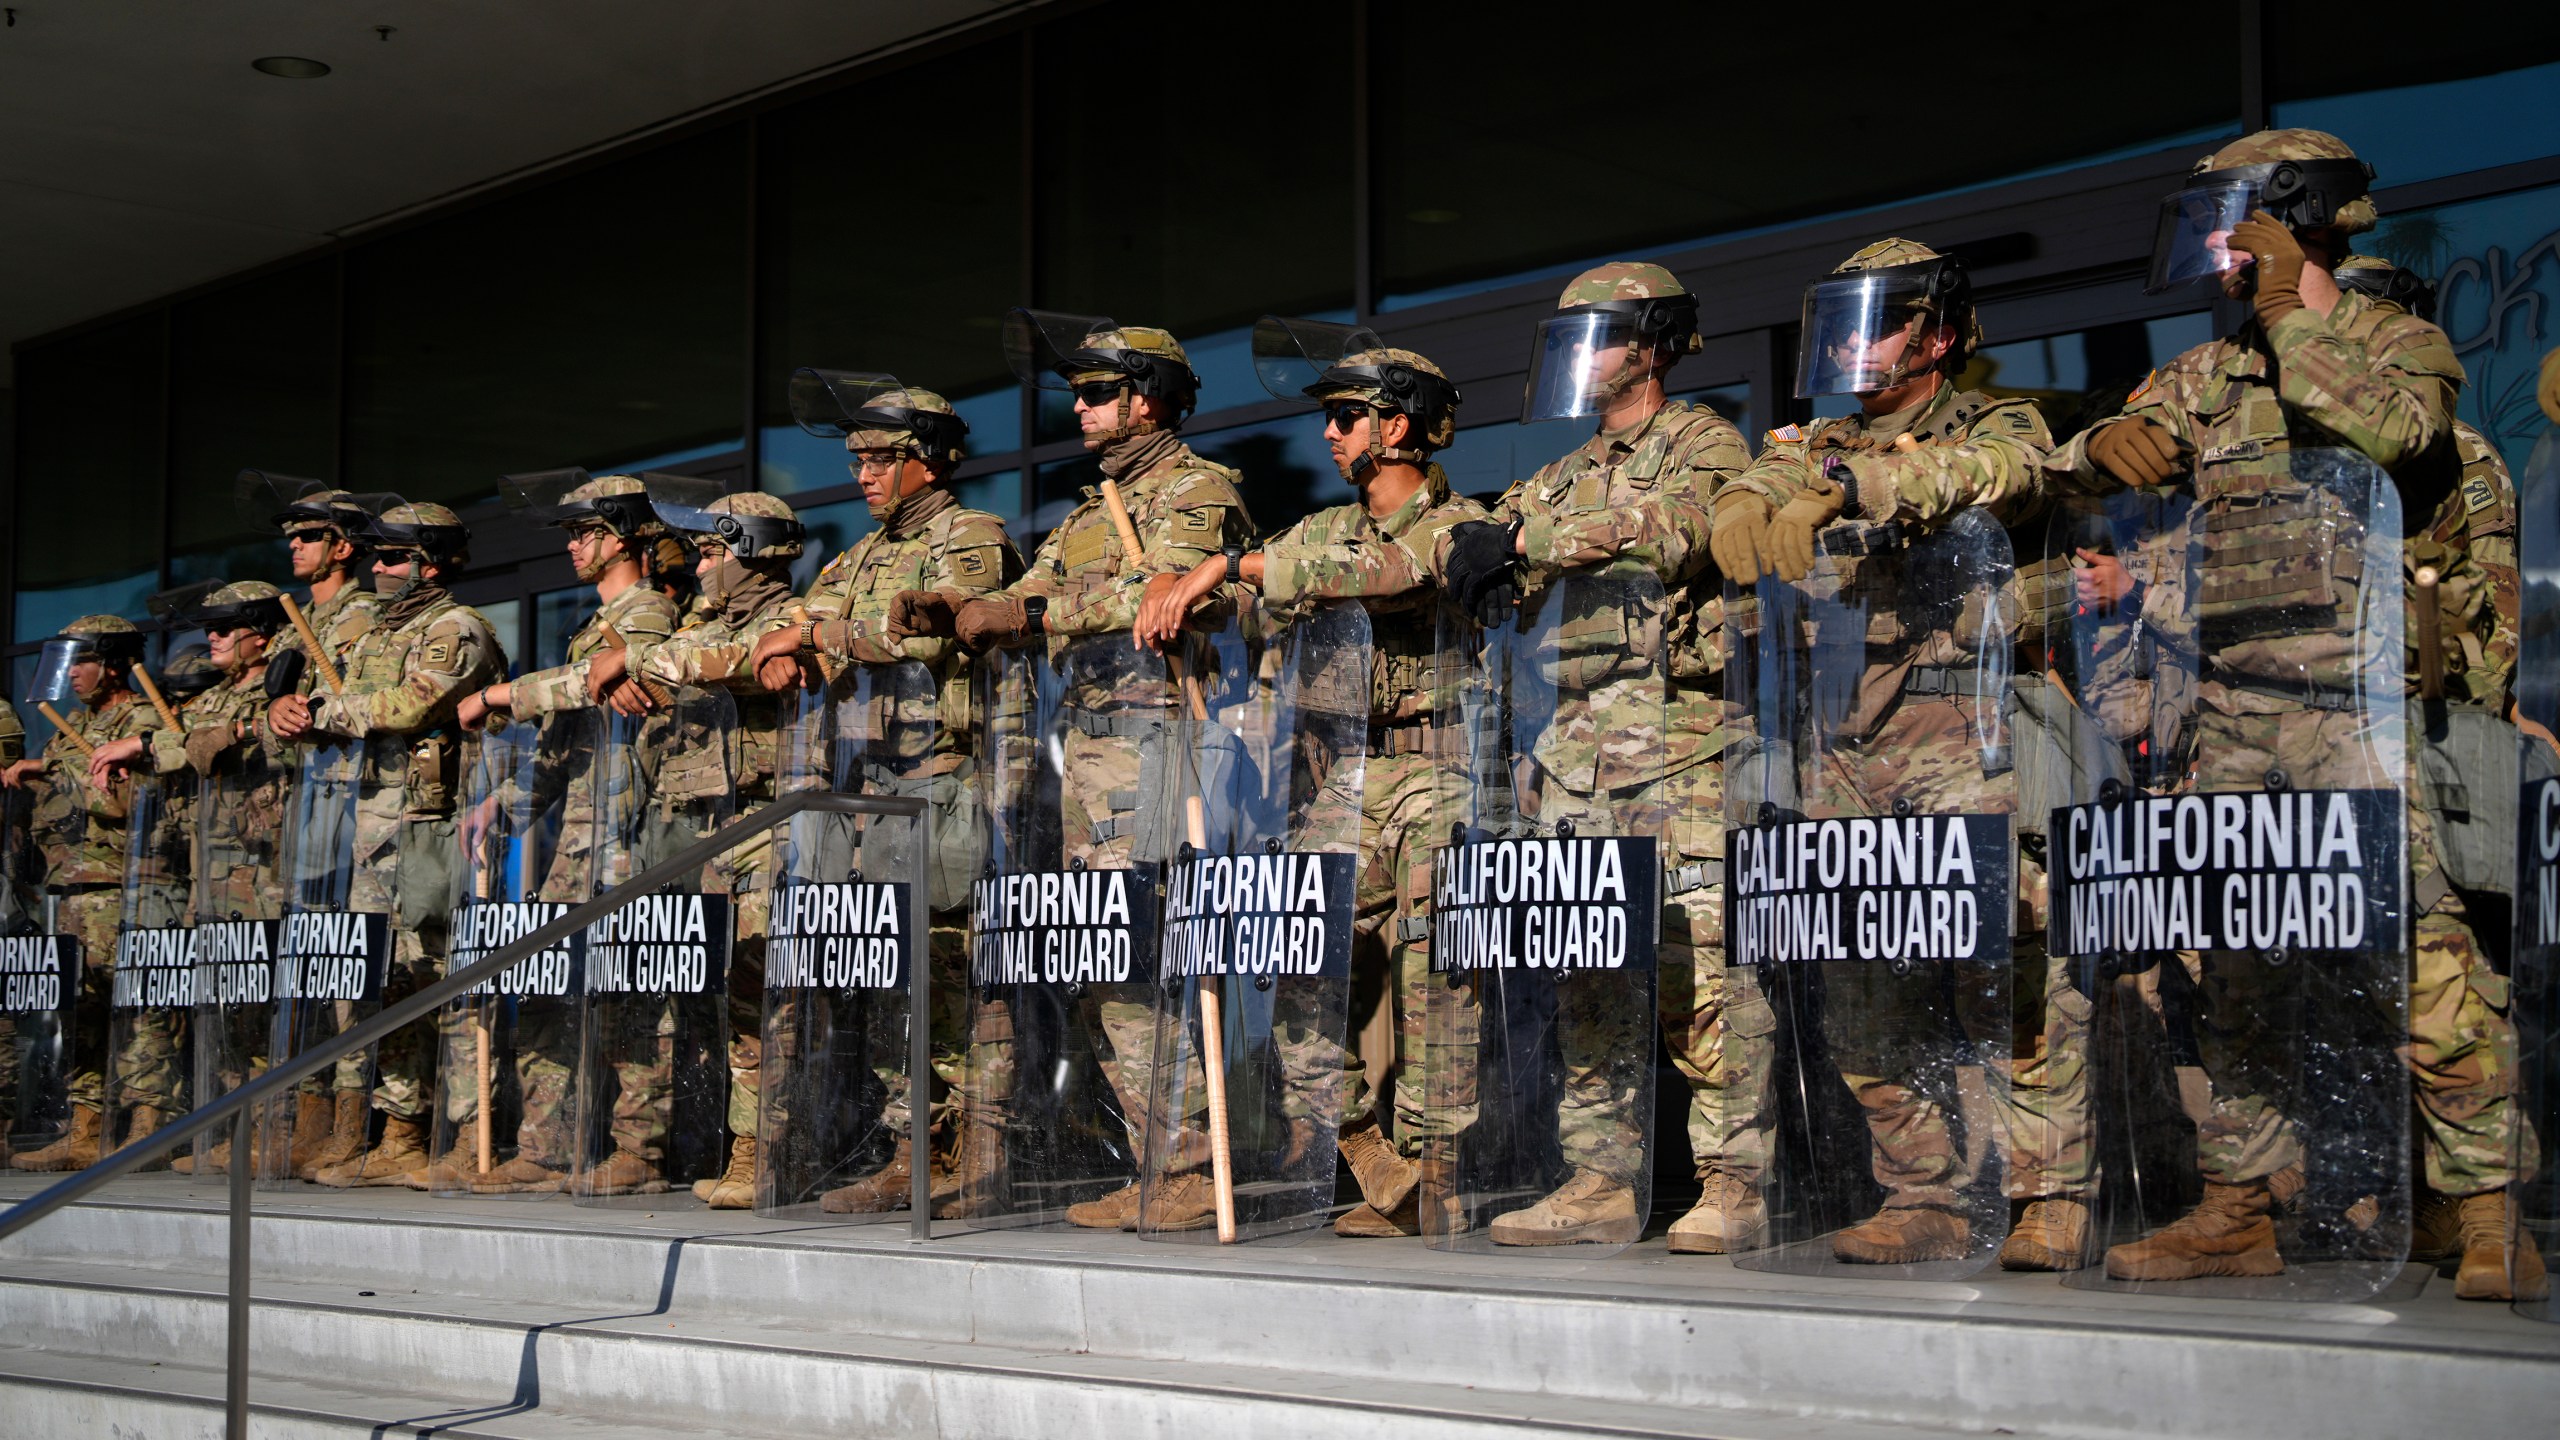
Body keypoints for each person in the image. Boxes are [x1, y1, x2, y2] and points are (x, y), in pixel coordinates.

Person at [2050, 129, 2539, 1297]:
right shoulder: (2207, 375)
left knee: (2426, 963)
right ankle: (2240, 1205)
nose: (2217, 250)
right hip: (2230, 720)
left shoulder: (2390, 341)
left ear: (2291, 214)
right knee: (2238, 966)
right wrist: (2085, 452)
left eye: (2235, 223)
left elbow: (2395, 434)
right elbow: (2099, 463)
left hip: (2355, 714)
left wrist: (2290, 312)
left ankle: (2485, 1211)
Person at [1714, 238, 2067, 1266]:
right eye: (1843, 323)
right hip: (1842, 758)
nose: (1851, 344)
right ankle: (1925, 1197)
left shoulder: (1991, 421)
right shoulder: (1809, 439)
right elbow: (1748, 489)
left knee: (2002, 982)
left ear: (1940, 332)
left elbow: (2002, 474)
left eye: (1878, 322)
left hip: (1963, 743)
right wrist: (1742, 505)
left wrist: (1850, 481)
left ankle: (2050, 1193)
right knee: (1866, 997)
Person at [894, 317, 1255, 1232]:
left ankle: (1193, 1166)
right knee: (1106, 964)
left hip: (1158, 744)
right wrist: (959, 608)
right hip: (1085, 758)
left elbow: (1163, 597)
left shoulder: (1199, 491)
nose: (1082, 409)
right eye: (1083, 395)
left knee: (1155, 960)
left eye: (1098, 393)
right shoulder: (1094, 511)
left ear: (1145, 399)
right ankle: (1159, 1159)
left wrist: (1023, 615)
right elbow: (1028, 593)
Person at [1136, 332, 1483, 1236]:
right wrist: (1187, 596)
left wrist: (1232, 565)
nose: (1328, 435)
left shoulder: (1457, 523)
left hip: (1436, 769)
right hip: (1340, 778)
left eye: (1344, 417)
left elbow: (1394, 574)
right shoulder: (1319, 529)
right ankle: (1367, 1149)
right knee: (1286, 954)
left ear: (1397, 426)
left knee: (1438, 974)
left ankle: (1438, 1174)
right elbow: (1252, 599)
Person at [1436, 260, 1749, 1247]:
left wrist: (1526, 544)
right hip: (1571, 760)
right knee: (1588, 978)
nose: (1582, 357)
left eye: (1600, 337)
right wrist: (1470, 553)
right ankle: (1600, 1182)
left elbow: (1678, 531)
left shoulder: (1703, 440)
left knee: (1703, 978)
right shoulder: (1560, 473)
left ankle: (1736, 1181)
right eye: (1571, 341)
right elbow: (1495, 540)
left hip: (1679, 747)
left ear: (1650, 346)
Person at [746, 378, 1024, 1216]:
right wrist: (784, 643)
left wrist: (818, 637)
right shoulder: (857, 554)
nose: (862, 474)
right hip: (864, 795)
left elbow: (923, 630)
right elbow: (800, 621)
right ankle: (912, 1153)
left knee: (956, 976)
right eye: (857, 459)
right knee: (888, 980)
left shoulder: (969, 534)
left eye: (878, 458)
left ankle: (978, 1157)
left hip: (941, 782)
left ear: (927, 461)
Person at [448, 473, 686, 1194]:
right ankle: (545, 1148)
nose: (575, 547)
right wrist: (508, 804)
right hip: (577, 844)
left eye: (585, 533)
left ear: (621, 537)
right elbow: (563, 741)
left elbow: (587, 682)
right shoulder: (592, 624)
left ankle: (636, 1155)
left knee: (633, 1000)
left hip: (633, 835)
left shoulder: (653, 612)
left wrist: (496, 696)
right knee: (552, 990)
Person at [579, 490, 810, 1199]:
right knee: (741, 994)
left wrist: (641, 665)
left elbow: (695, 660)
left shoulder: (796, 615)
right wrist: (643, 664)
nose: (700, 566)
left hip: (783, 824)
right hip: (718, 825)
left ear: (751, 551)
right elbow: (676, 656)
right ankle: (752, 1149)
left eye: (713, 550)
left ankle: (775, 1153)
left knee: (776, 992)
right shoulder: (701, 619)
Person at [269, 503, 504, 1189]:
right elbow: (319, 706)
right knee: (381, 982)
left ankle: (468, 1136)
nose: (377, 567)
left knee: (447, 981)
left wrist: (318, 716)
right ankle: (396, 1133)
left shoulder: (454, 628)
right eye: (375, 555)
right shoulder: (371, 634)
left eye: (393, 557)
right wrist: (287, 714)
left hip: (430, 827)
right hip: (363, 832)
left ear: (430, 563)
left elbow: (408, 706)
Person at [88, 583, 289, 1176]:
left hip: (269, 870)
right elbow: (183, 745)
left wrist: (152, 742)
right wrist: (145, 751)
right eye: (211, 627)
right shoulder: (219, 696)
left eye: (227, 627)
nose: (214, 637)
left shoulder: (282, 684)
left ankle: (272, 1126)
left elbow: (218, 742)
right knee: (227, 1007)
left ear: (261, 632)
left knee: (265, 1004)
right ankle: (237, 1125)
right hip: (212, 873)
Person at [7, 617, 164, 1171]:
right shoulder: (71, 724)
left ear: (114, 664)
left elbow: (127, 797)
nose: (73, 675)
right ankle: (87, 1123)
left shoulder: (141, 718)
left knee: (139, 1007)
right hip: (68, 885)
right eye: (68, 664)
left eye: (83, 663)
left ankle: (147, 1124)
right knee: (81, 1010)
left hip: (123, 884)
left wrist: (50, 769)